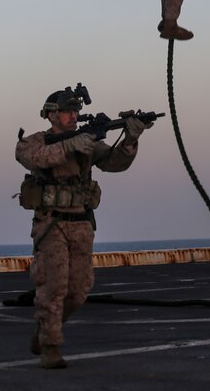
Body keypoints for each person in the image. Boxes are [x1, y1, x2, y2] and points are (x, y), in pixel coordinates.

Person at [15, 85, 148, 369]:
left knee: (78, 290)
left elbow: (115, 163)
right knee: (53, 287)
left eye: (76, 110)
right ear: (51, 115)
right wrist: (69, 146)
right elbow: (31, 157)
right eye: (66, 111)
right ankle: (51, 346)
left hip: (82, 224)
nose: (73, 115)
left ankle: (44, 330)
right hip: (51, 224)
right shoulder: (35, 141)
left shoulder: (87, 143)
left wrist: (131, 139)